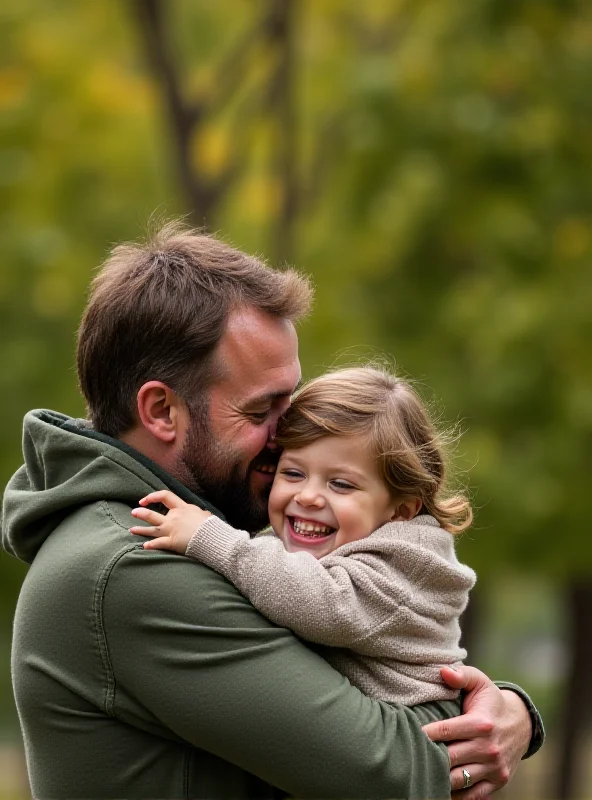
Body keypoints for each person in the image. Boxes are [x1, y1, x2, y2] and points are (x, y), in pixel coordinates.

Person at [2, 223, 544, 799]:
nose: (287, 438)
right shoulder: (137, 567)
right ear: (162, 410)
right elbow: (396, 772)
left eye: (294, 402)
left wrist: (510, 710)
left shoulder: (153, 536)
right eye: (263, 410)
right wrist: (501, 720)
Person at [130, 365, 477, 708]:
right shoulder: (317, 547)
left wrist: (211, 538)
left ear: (400, 510)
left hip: (417, 745)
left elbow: (322, 604)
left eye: (341, 484)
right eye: (293, 473)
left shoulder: (405, 565)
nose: (308, 496)